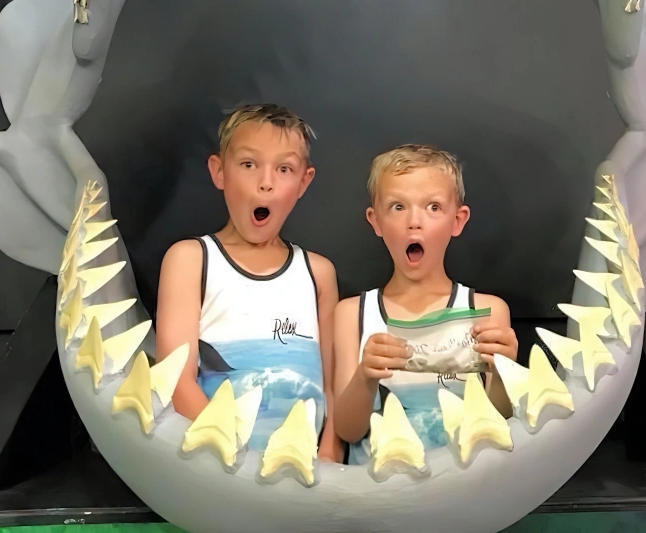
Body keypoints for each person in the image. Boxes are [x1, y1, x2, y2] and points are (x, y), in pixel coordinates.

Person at [155, 104, 343, 462]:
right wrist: (239, 466)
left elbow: (334, 386)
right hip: (222, 472)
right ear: (219, 171)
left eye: (284, 168)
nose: (266, 181)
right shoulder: (191, 260)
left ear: (304, 181)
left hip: (308, 478)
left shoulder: (318, 273)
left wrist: (330, 454)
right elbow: (176, 383)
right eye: (248, 164)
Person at [333, 144, 518, 465]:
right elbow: (348, 431)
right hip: (377, 494)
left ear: (457, 220)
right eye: (397, 207)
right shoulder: (353, 314)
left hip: (459, 493)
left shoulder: (488, 311)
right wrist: (365, 377)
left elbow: (500, 422)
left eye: (433, 207)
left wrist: (503, 372)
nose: (414, 222)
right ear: (375, 221)